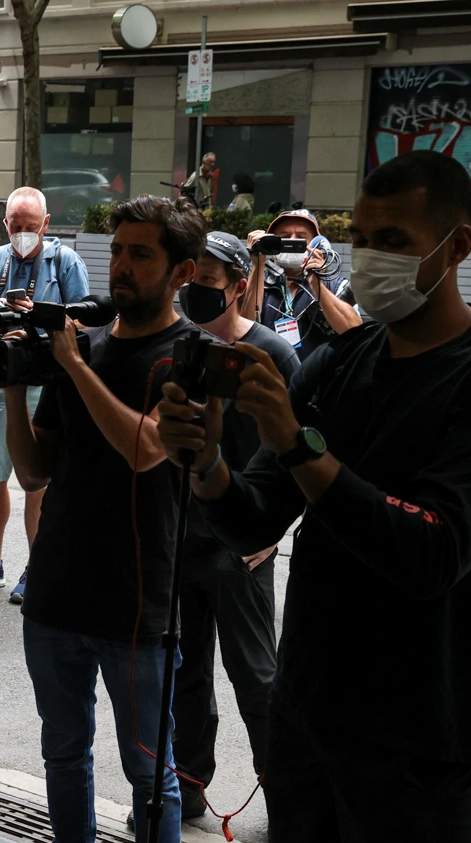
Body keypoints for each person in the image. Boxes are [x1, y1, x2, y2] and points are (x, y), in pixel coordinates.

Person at [156, 150, 471, 839]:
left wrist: (299, 444)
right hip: (310, 722)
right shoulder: (341, 361)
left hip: (416, 742)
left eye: (394, 241)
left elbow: (434, 549)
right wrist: (207, 463)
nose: (371, 259)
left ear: (458, 247)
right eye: (363, 238)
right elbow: (257, 515)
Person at [6, 195, 206, 842]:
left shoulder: (189, 355)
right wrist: (11, 381)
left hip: (137, 607)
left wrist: (73, 366)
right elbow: (36, 470)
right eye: (117, 250)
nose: (121, 266)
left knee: (150, 776)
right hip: (56, 595)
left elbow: (147, 448)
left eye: (139, 254)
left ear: (182, 271)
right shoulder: (82, 347)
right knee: (63, 757)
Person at [171, 231, 299, 818]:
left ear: (238, 287)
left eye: (208, 285)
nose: (196, 294)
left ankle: (286, 798)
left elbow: (293, 458)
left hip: (242, 551)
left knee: (258, 680)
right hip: (181, 545)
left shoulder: (273, 354)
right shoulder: (177, 347)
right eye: (190, 282)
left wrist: (265, 538)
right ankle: (186, 786)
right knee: (185, 672)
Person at [0, 186, 89, 604]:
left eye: (32, 226)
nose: (24, 233)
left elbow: (86, 325)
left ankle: (40, 566)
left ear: (46, 225)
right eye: (17, 225)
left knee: (38, 483)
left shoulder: (65, 261)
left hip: (44, 386)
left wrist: (39, 317)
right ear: (6, 223)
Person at [246, 208, 360, 361]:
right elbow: (245, 330)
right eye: (284, 237)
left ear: (316, 245)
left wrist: (317, 283)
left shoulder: (336, 286)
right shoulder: (259, 281)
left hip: (318, 381)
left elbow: (355, 334)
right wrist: (257, 266)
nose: (292, 241)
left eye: (300, 238)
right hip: (268, 379)